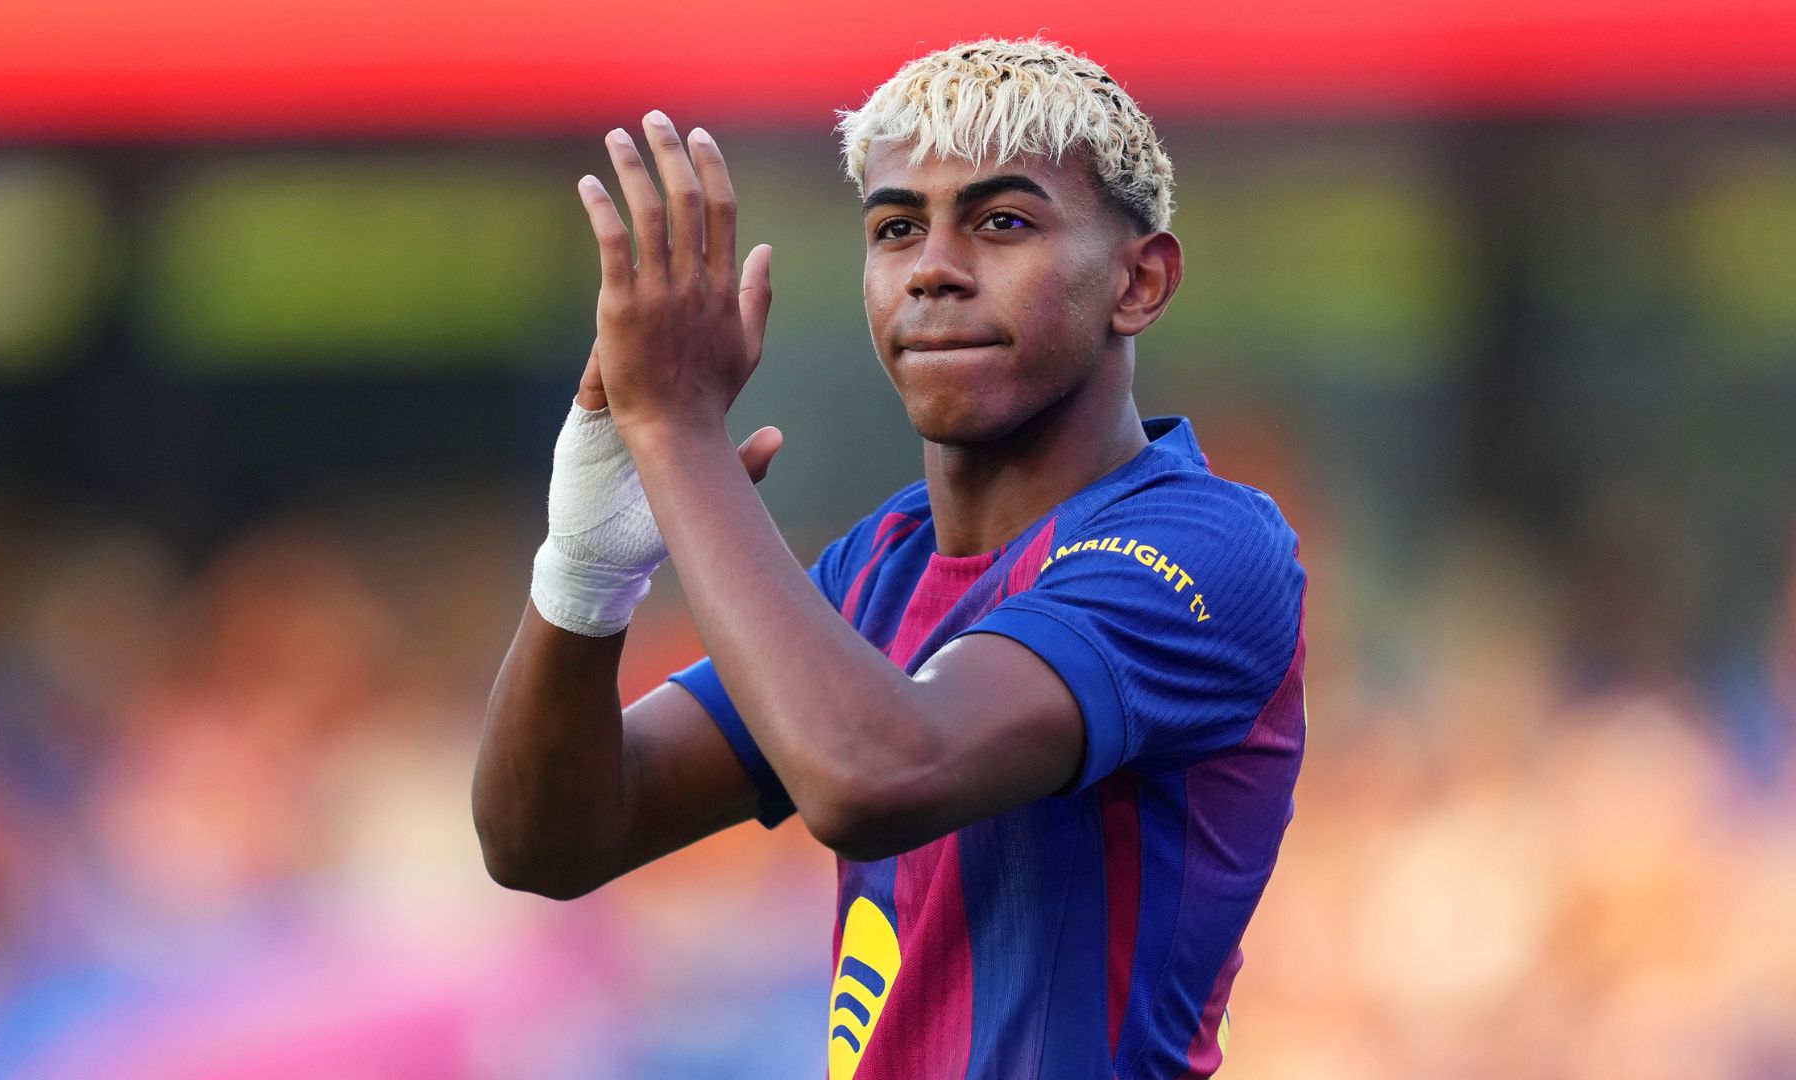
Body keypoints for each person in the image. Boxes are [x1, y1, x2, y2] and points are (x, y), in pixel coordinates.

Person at [472, 38, 1308, 1079]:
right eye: (897, 228)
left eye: (1002, 223)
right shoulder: (879, 566)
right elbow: (547, 841)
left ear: (1139, 281)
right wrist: (585, 569)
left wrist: (680, 436)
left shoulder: (1209, 546)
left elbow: (876, 776)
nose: (933, 270)